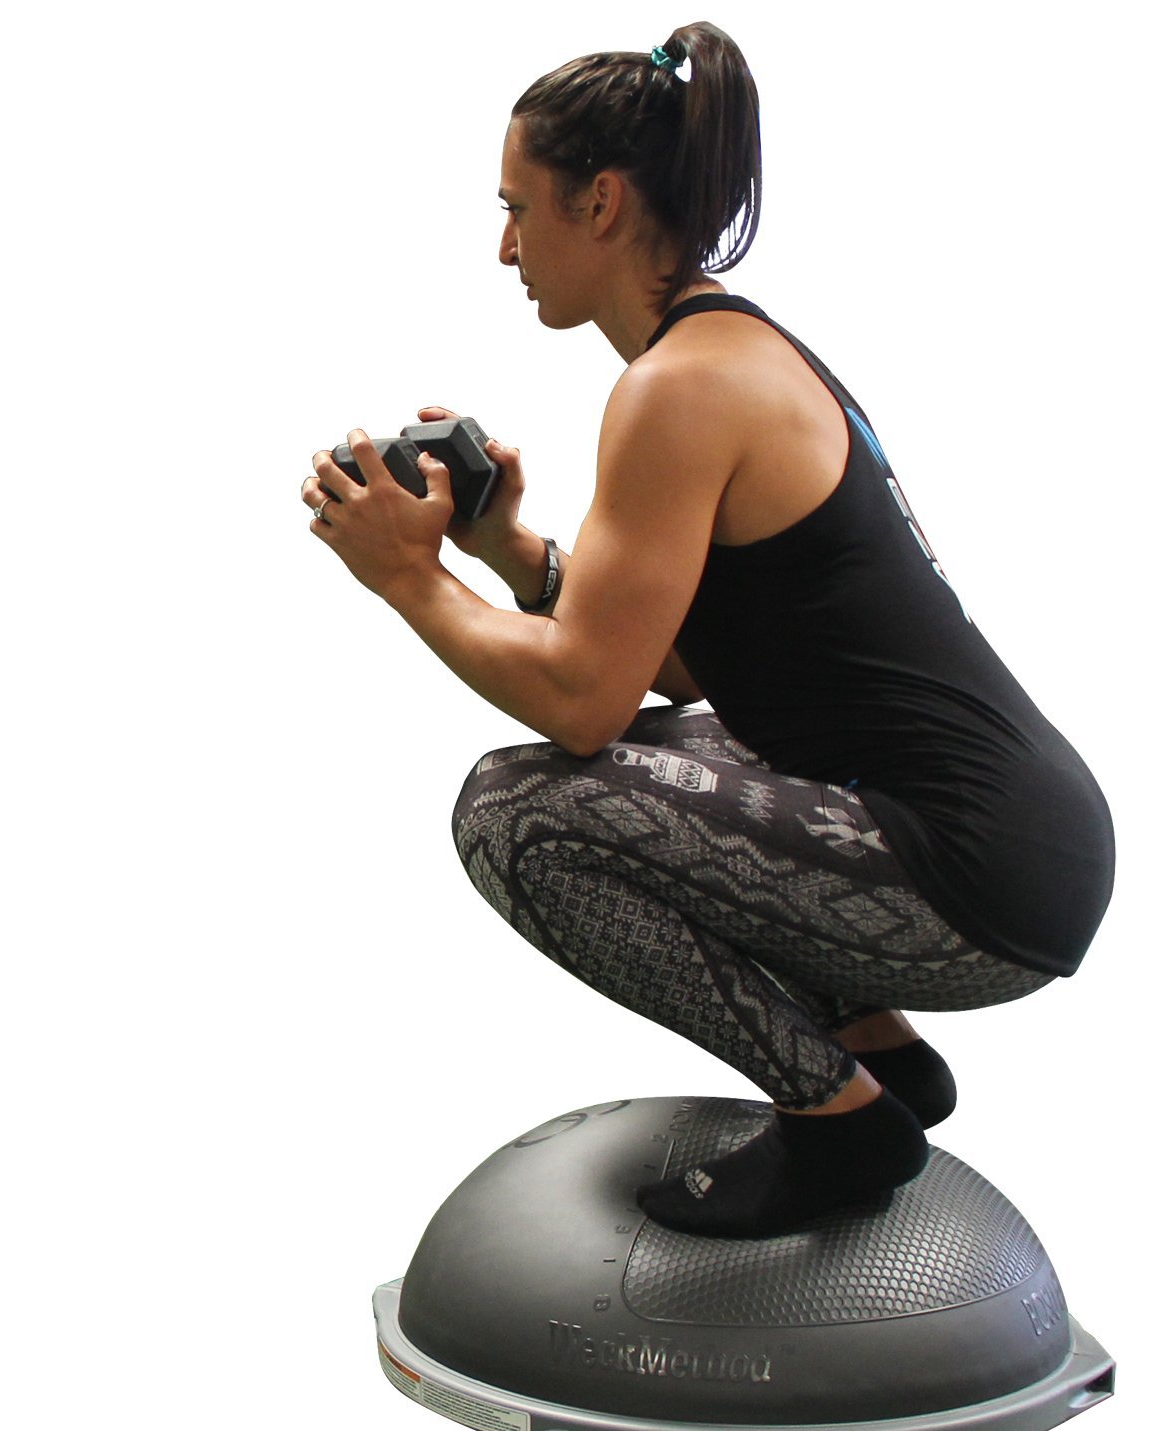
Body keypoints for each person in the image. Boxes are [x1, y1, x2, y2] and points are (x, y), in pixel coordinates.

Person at [300, 23, 1114, 1239]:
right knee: (689, 742)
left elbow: (583, 703)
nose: (505, 247)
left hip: (976, 877)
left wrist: (408, 580)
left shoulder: (678, 389)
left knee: (515, 813)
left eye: (518, 208)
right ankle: (872, 1046)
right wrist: (511, 552)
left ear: (602, 201)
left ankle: (838, 1121)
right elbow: (686, 669)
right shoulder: (737, 348)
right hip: (1016, 838)